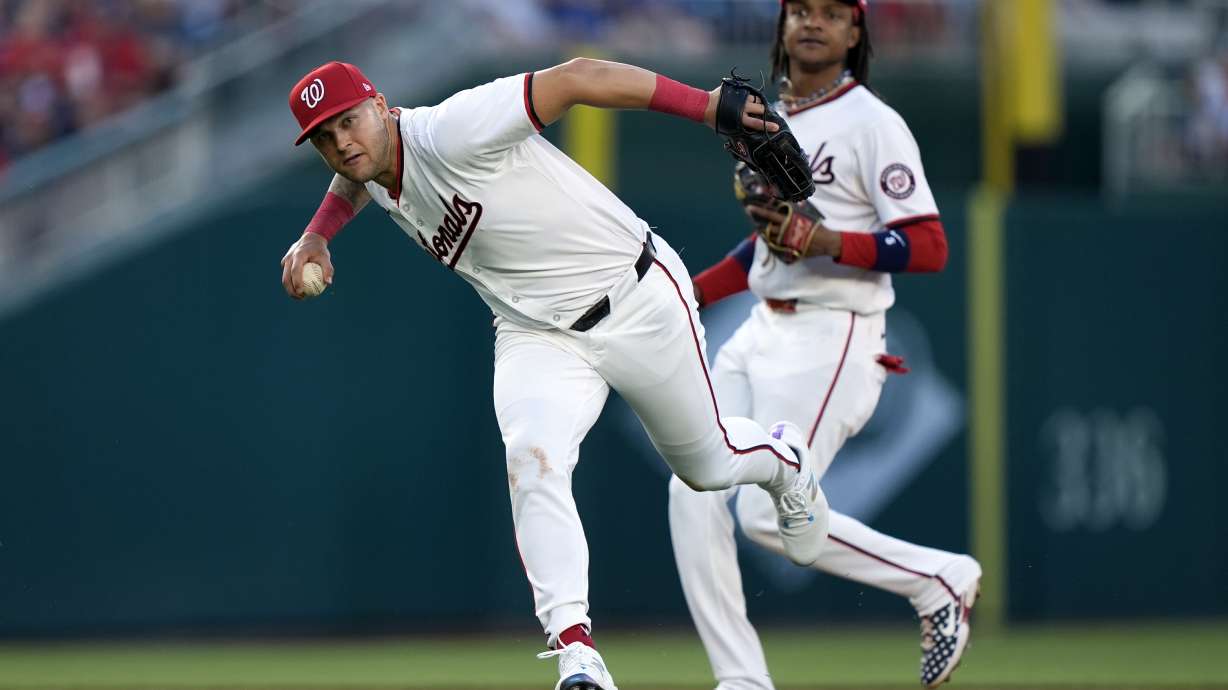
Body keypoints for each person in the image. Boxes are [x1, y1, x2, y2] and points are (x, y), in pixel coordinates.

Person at [279, 58, 830, 690]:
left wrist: (705, 106)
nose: (342, 142)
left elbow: (577, 78)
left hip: (634, 296)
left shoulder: (452, 130)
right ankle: (577, 653)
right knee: (532, 457)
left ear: (380, 104)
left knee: (708, 467)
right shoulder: (372, 159)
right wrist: (317, 236)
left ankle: (786, 463)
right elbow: (358, 176)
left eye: (347, 121)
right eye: (324, 136)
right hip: (533, 332)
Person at [668, 1, 981, 688]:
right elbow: (767, 249)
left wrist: (831, 241)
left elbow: (929, 245)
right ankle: (742, 679)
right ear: (782, 25)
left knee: (764, 518)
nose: (813, 22)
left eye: (832, 13)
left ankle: (937, 579)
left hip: (832, 333)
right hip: (760, 329)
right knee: (690, 483)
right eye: (801, 10)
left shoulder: (874, 123)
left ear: (854, 31)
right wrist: (685, 294)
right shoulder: (775, 123)